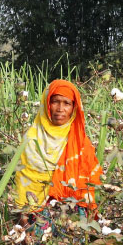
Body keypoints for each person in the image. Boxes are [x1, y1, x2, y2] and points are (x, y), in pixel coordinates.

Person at [15, 79, 102, 213]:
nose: (60, 109)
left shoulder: (81, 144)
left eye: (67, 103)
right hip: (34, 212)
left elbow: (89, 185)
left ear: (74, 107)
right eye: (55, 102)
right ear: (47, 104)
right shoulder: (31, 139)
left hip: (71, 211)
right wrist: (24, 216)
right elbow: (23, 181)